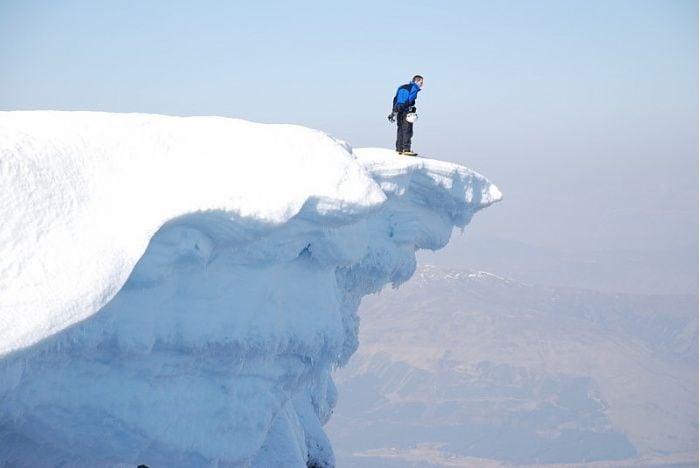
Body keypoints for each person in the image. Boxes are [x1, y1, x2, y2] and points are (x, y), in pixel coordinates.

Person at [388, 75, 423, 156]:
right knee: (407, 130)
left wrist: (394, 110)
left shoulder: (401, 87)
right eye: (421, 82)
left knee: (400, 129)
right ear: (416, 81)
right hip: (406, 111)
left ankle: (399, 149)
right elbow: (410, 100)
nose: (422, 84)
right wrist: (408, 107)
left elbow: (395, 98)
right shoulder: (414, 88)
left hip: (398, 110)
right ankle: (406, 149)